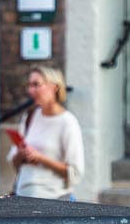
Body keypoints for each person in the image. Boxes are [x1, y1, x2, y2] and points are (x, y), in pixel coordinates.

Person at [9, 65, 84, 200]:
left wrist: (41, 158)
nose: (31, 90)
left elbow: (74, 172)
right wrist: (21, 155)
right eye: (29, 85)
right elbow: (15, 164)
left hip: (54, 200)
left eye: (36, 84)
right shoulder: (30, 116)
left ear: (54, 87)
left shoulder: (67, 122)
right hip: (22, 197)